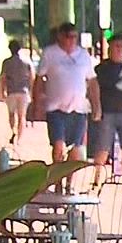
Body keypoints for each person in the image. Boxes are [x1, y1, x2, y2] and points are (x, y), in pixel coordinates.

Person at [30, 22, 101, 166]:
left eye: (74, 37)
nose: (71, 40)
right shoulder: (50, 53)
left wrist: (96, 105)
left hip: (78, 109)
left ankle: (69, 178)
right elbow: (39, 79)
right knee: (58, 147)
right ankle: (57, 176)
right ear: (60, 37)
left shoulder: (83, 55)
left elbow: (92, 81)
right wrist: (37, 104)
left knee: (75, 150)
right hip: (55, 108)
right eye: (68, 36)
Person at [91, 33, 122, 192]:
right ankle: (97, 178)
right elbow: (93, 87)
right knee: (103, 147)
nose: (119, 49)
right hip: (108, 113)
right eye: (116, 46)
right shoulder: (101, 68)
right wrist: (97, 107)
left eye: (121, 46)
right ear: (110, 48)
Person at [0, 39, 33, 144]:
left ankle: (13, 131)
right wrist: (31, 90)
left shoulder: (6, 62)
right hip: (24, 92)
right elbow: (32, 77)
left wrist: (2, 90)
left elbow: (3, 78)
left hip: (11, 91)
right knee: (22, 116)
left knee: (11, 114)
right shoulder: (27, 62)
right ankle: (19, 138)